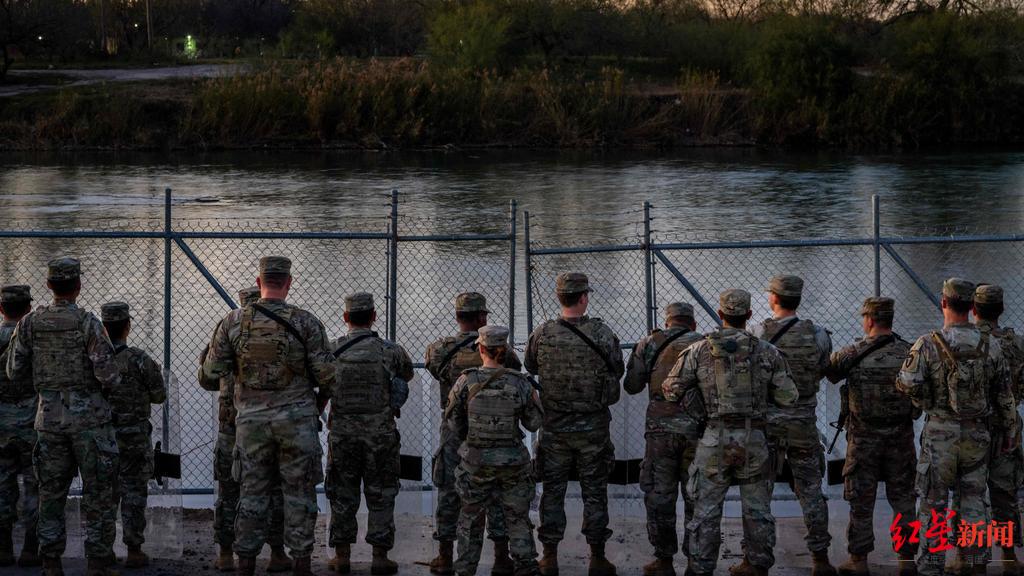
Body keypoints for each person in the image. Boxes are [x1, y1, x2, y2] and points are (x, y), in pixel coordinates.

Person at [201, 256, 335, 576]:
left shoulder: (232, 322)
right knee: (299, 494)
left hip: (251, 425)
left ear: (259, 282)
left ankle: (245, 562)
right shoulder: (307, 323)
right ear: (288, 283)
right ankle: (301, 563)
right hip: (297, 424)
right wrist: (315, 406)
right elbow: (329, 377)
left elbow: (209, 376)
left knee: (251, 493)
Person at [662, 289, 798, 576]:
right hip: (754, 440)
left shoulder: (699, 350)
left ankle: (701, 568)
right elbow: (789, 397)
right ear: (748, 315)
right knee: (757, 511)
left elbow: (671, 390)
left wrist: (699, 403)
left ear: (720, 314)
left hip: (714, 438)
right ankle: (756, 566)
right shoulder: (767, 351)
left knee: (706, 511)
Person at [6, 257, 121, 576]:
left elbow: (14, 370)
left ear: (48, 285)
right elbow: (109, 375)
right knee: (97, 493)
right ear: (78, 286)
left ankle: (51, 561)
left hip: (48, 420)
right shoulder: (88, 323)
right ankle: (97, 562)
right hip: (89, 423)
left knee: (51, 493)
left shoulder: (29, 323)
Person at [897, 278, 1017, 576]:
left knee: (933, 504)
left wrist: (927, 401)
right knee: (974, 502)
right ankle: (974, 564)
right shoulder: (991, 346)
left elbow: (907, 383)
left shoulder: (928, 343)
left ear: (944, 303)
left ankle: (932, 566)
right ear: (972, 306)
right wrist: (1009, 431)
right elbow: (1004, 395)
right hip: (977, 435)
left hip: (940, 435)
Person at [525, 272, 624, 576]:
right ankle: (597, 557)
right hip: (593, 428)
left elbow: (530, 365)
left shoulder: (543, 333)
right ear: (583, 297)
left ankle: (549, 557)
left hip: (554, 427)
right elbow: (618, 368)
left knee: (552, 491)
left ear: (559, 297)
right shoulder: (602, 333)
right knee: (594, 491)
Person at [425, 292, 521, 576]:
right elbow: (512, 371)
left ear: (458, 316)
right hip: (493, 428)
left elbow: (433, 369)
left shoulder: (439, 350)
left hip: (454, 430)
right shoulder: (503, 351)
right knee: (496, 490)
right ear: (481, 318)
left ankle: (445, 556)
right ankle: (501, 557)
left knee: (449, 490)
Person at [198, 286, 291, 573]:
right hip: (269, 425)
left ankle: (227, 554)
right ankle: (277, 553)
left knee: (229, 492)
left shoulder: (227, 331)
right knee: (274, 490)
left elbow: (207, 378)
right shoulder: (283, 331)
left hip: (231, 426)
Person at [824, 297, 917, 576]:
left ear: (870, 320)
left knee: (860, 502)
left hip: (863, 440)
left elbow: (829, 372)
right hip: (901, 439)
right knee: (904, 499)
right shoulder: (910, 352)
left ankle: (859, 560)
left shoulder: (852, 353)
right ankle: (906, 561)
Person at [324, 292, 414, 575]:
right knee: (382, 493)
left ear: (346, 317)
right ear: (374, 316)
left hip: (343, 434)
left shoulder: (332, 350)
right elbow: (406, 376)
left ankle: (342, 557)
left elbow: (322, 382)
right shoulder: (391, 351)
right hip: (380, 435)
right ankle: (379, 557)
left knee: (342, 493)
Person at [750, 275, 835, 576]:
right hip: (803, 423)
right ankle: (820, 559)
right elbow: (823, 369)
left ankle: (757, 561)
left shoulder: (758, 332)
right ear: (797, 299)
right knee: (811, 490)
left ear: (774, 298)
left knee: (759, 492)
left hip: (767, 423)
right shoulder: (818, 334)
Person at [444, 325, 544, 576]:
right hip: (512, 464)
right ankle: (525, 566)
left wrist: (473, 436)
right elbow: (533, 423)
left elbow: (454, 424)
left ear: (481, 349)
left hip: (476, 463)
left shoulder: (465, 381)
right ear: (505, 350)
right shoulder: (519, 383)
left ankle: (465, 568)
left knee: (470, 519)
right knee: (517, 518)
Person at [624, 303, 704, 576]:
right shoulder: (704, 344)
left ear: (667, 321)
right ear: (692, 324)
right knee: (696, 497)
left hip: (660, 432)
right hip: (697, 432)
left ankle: (664, 560)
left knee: (660, 496)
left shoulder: (650, 343)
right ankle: (696, 561)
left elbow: (632, 386)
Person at [101, 301, 166, 568]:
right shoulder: (140, 359)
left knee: (104, 492)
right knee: (134, 491)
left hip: (103, 436)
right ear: (127, 326)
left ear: (103, 328)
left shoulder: (94, 360)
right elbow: (159, 396)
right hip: (135, 437)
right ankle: (134, 549)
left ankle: (103, 549)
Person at [973, 284, 1024, 576]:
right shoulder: (1016, 344)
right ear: (1001, 309)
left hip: (973, 426)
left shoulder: (966, 341)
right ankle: (1008, 556)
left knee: (971, 493)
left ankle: (971, 556)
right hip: (1007, 426)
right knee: (1004, 492)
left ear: (974, 309)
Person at [0, 285, 39, 567]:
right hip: (32, 422)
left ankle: (3, 546)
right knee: (34, 484)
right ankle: (30, 547)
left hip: (1, 423)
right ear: (28, 309)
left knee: (3, 484)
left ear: (1, 309)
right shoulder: (34, 341)